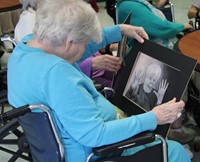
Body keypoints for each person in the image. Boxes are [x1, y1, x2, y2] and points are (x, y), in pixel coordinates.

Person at [8, 0, 190, 162]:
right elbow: (95, 135)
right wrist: (154, 117)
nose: (87, 48)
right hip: (98, 152)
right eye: (85, 43)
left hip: (65, 144)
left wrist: (119, 31)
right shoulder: (56, 74)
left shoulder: (27, 47)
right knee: (174, 150)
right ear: (68, 42)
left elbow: (73, 54)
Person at [116, 0, 193, 49]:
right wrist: (182, 26)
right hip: (151, 52)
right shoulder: (131, 6)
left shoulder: (129, 3)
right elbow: (161, 28)